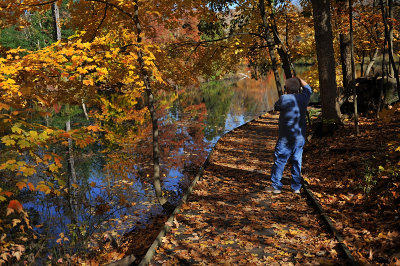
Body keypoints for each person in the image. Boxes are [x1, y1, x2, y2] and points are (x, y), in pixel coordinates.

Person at [266, 77, 312, 194]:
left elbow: (276, 107)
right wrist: (299, 79)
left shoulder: (284, 98)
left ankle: (276, 186)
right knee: (297, 160)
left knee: (280, 160)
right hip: (299, 137)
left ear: (287, 89)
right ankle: (296, 187)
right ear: (298, 88)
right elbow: (308, 88)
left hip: (285, 138)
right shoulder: (304, 98)